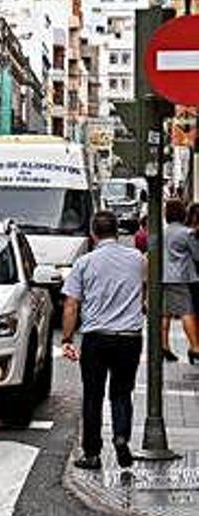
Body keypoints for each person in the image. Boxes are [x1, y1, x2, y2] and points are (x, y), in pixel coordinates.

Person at [62, 211, 146, 470]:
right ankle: (121, 437)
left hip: (96, 338)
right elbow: (145, 289)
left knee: (93, 395)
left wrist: (67, 338)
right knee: (122, 393)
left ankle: (92, 453)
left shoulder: (84, 263)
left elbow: (71, 305)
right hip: (129, 339)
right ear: (118, 232)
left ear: (93, 234)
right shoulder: (137, 259)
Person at [161, 200, 199, 363]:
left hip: (162, 277)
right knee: (187, 311)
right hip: (180, 277)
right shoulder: (186, 233)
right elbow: (197, 255)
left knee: (165, 313)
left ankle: (164, 345)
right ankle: (196, 347)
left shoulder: (161, 231)